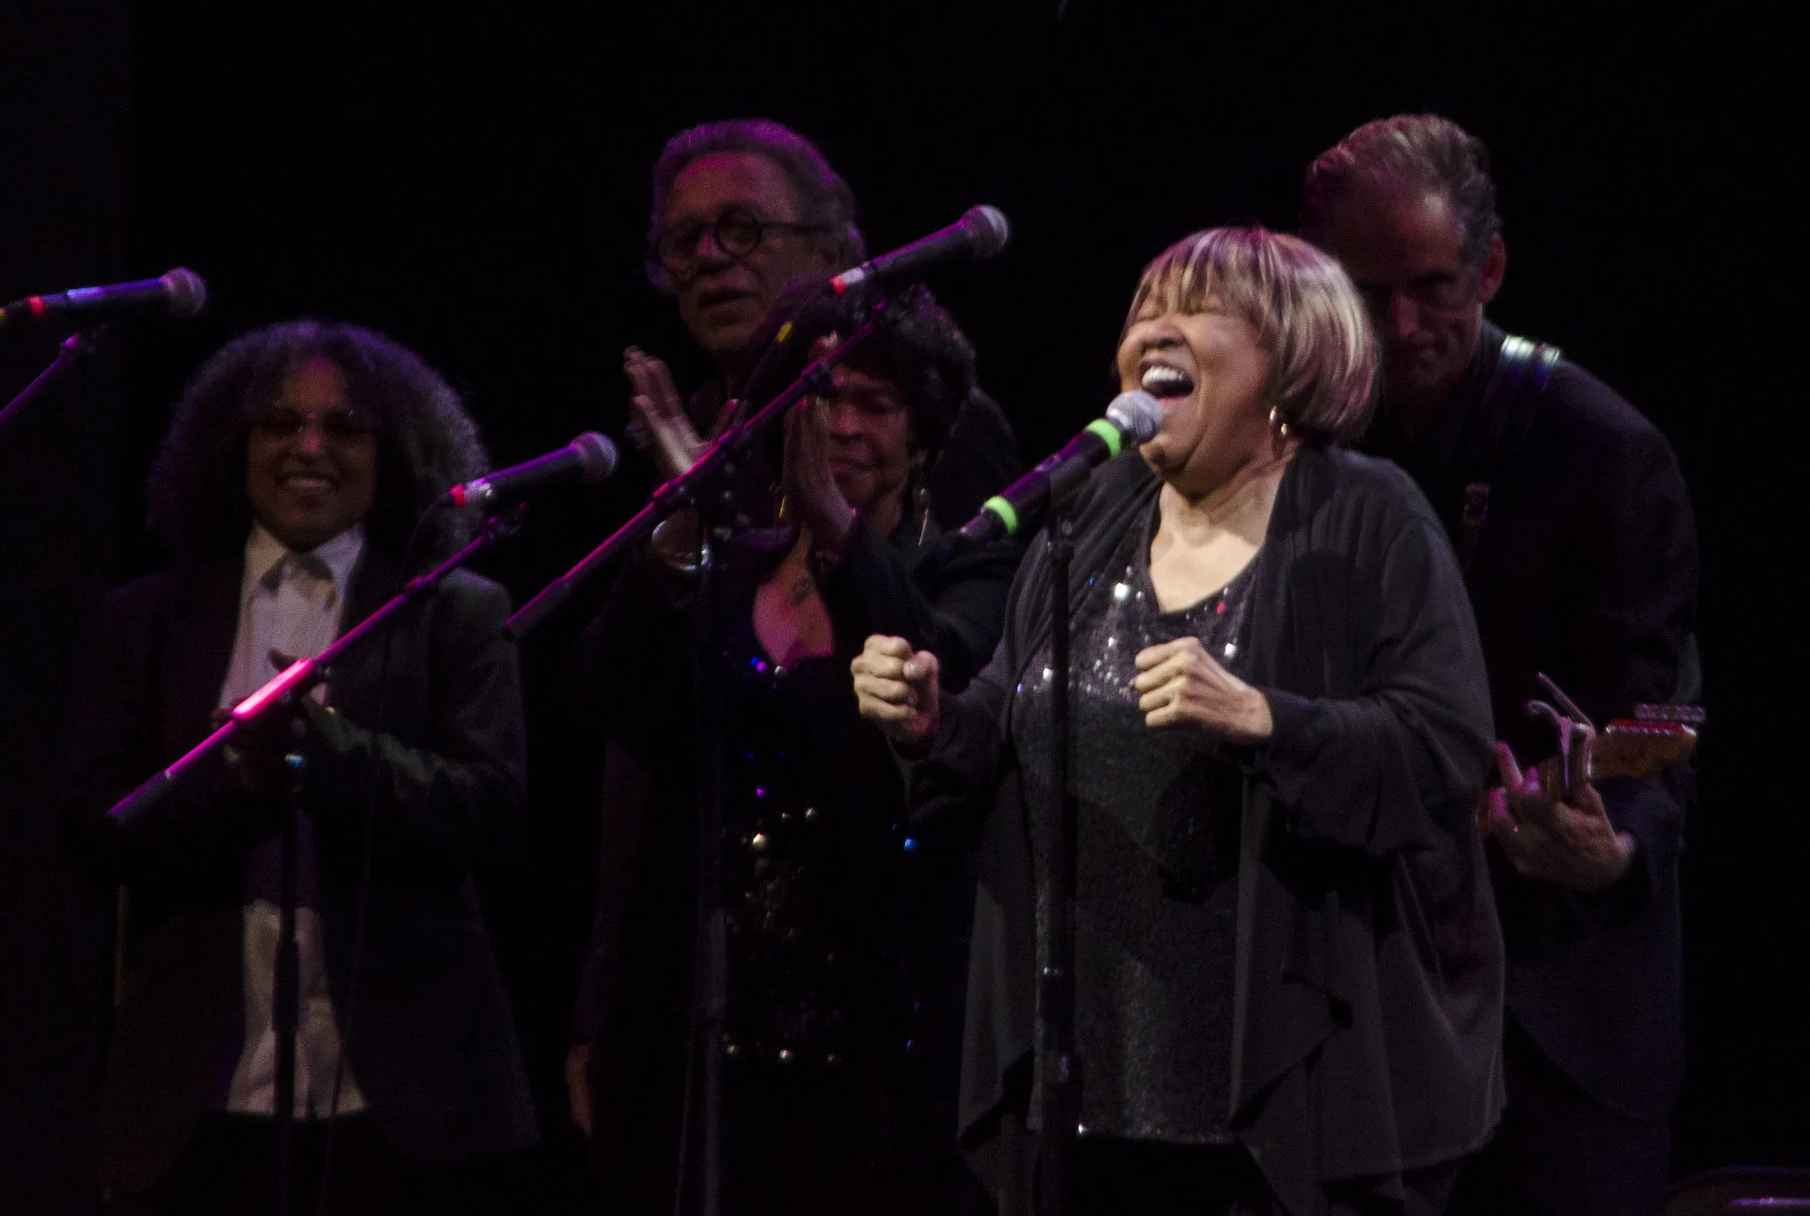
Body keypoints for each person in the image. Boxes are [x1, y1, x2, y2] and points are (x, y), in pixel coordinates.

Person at [855, 227, 1504, 1216]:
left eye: (1198, 308)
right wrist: (929, 720)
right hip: (1091, 1088)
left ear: (1292, 353)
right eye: (1144, 310)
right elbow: (1004, 717)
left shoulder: (1367, 515)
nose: (1155, 330)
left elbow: (1442, 749)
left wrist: (1263, 716)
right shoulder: (1093, 517)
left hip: (1281, 1089)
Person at [1304, 116, 1702, 1216]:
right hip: (1359, 1012)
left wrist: (1615, 850)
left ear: (1489, 270)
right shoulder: (1307, 439)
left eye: (1432, 286)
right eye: (1367, 291)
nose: (1400, 326)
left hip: (1553, 1022)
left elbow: (1654, 712)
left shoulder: (1601, 450)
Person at [62, 321, 535, 1213]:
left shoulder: (456, 610)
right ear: (233, 444)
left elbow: (491, 811)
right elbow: (95, 825)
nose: (309, 447)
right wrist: (235, 783)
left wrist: (329, 749)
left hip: (406, 1099)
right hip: (193, 1095)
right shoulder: (147, 617)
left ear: (393, 452)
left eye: (344, 426)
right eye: (280, 422)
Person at [571, 288, 1020, 1215]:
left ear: (923, 436)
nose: (843, 425)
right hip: (706, 1035)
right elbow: (615, 696)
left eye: (875, 404)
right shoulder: (730, 567)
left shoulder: (968, 566)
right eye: (822, 397)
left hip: (888, 1039)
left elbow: (939, 683)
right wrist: (684, 518)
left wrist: (843, 536)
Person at [624, 116, 1019, 528]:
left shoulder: (935, 416)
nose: (708, 256)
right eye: (686, 240)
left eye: (742, 229)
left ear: (830, 255)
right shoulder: (694, 426)